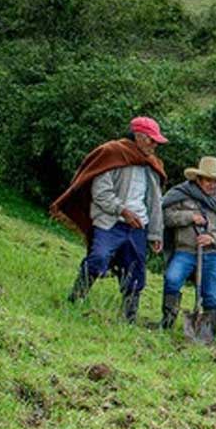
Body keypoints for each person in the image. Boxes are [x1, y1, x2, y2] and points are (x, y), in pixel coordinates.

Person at [50, 116, 168, 322]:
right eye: (151, 140)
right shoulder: (112, 154)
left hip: (139, 225)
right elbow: (101, 193)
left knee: (135, 269)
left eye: (156, 141)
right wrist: (123, 211)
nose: (155, 145)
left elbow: (155, 202)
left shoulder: (152, 165)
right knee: (98, 258)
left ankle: (128, 317)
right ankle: (76, 297)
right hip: (110, 222)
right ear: (138, 137)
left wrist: (156, 233)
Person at [159, 157, 216, 342]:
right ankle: (167, 323)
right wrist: (190, 216)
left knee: (211, 295)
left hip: (212, 253)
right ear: (198, 179)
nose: (213, 185)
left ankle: (208, 336)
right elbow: (165, 216)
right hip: (185, 249)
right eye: (209, 180)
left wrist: (213, 237)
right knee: (172, 279)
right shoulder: (180, 194)